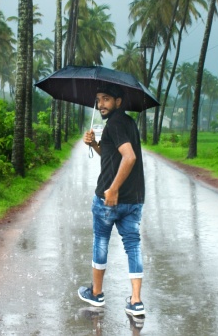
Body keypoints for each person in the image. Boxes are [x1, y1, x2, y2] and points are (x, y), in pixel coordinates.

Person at [78, 83, 146, 318]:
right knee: (133, 245)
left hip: (110, 199)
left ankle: (96, 294)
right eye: (98, 99)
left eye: (106, 99)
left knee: (101, 242)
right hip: (134, 198)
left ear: (118, 101)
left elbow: (129, 157)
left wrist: (113, 189)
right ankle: (136, 301)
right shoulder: (126, 123)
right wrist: (95, 144)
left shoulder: (115, 123)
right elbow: (113, 158)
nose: (101, 104)